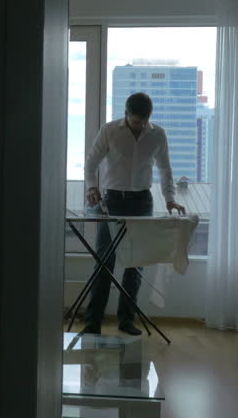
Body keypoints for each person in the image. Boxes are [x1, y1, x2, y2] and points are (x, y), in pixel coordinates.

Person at [81, 92, 186, 335]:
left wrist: (170, 199)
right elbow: (91, 162)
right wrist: (92, 187)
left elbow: (165, 169)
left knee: (136, 263)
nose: (141, 125)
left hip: (142, 201)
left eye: (145, 121)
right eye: (136, 121)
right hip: (112, 200)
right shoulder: (109, 131)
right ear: (126, 114)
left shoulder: (157, 134)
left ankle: (126, 321)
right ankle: (92, 324)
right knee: (104, 263)